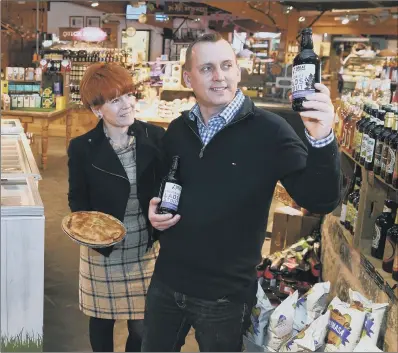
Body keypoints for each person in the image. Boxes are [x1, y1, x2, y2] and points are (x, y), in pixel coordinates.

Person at [142, 33, 341, 352]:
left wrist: (321, 138)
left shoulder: (270, 131)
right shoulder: (179, 129)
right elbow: (167, 183)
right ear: (187, 77)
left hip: (226, 295)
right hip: (167, 281)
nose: (219, 76)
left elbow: (319, 199)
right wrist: (154, 207)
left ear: (238, 71)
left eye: (226, 65)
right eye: (207, 68)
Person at [67, 63, 165, 352]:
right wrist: (93, 234)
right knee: (101, 320)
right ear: (97, 110)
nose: (127, 105)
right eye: (114, 100)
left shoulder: (155, 138)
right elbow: (78, 200)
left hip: (145, 247)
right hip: (103, 250)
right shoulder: (82, 147)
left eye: (128, 95)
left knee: (141, 325)